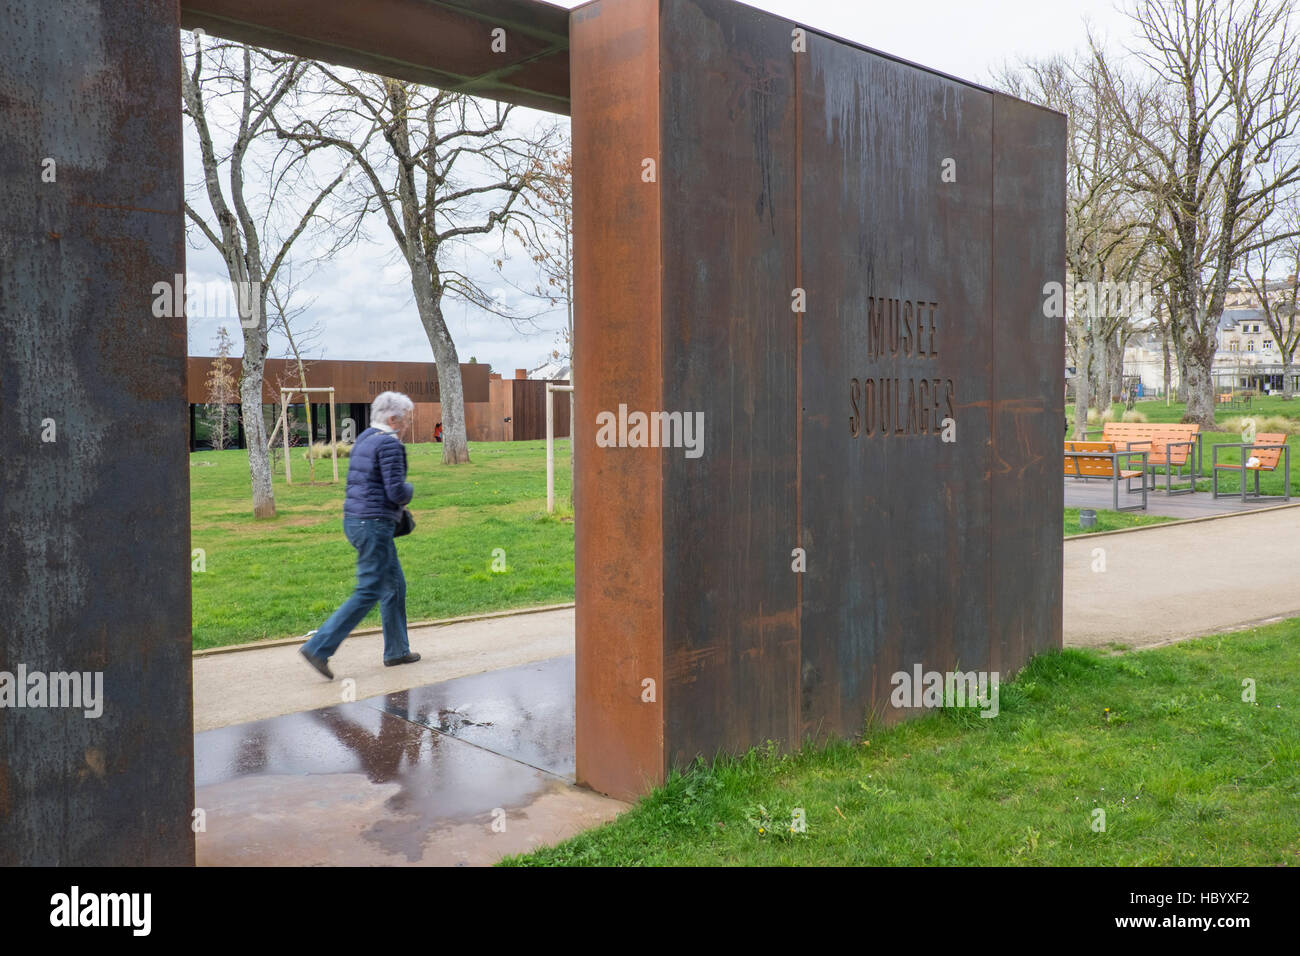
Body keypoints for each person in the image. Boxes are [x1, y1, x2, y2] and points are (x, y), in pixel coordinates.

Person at [300, 391, 421, 679]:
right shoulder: (390, 445)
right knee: (369, 589)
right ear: (392, 419)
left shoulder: (365, 438)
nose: (406, 426)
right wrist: (411, 489)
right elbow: (396, 492)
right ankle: (319, 647)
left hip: (355, 521)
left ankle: (397, 650)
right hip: (374, 525)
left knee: (394, 585)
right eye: (405, 421)